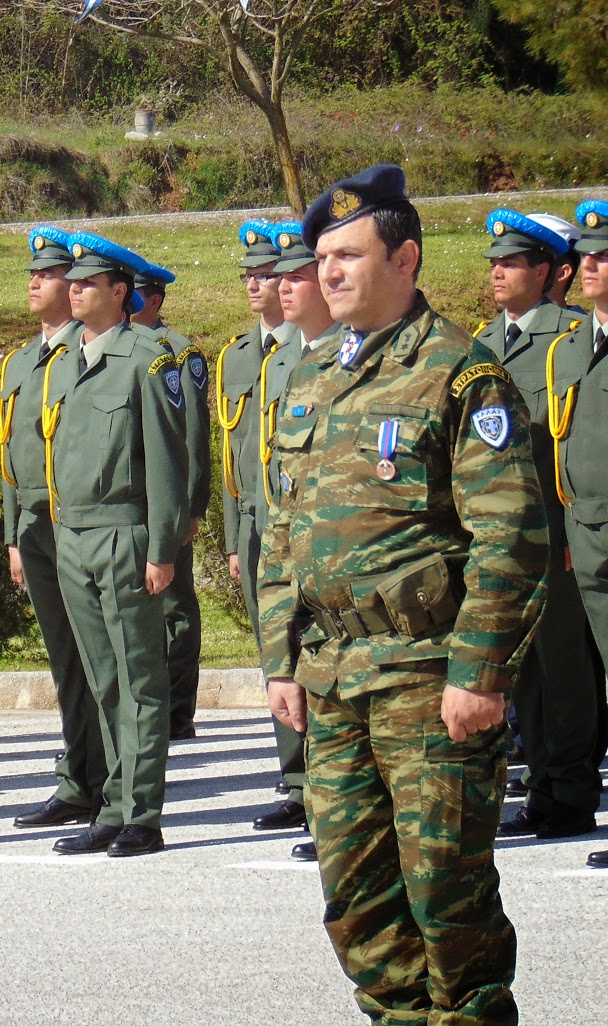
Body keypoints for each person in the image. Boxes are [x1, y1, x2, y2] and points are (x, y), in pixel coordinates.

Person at [262, 164, 547, 1026]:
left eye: (345, 255)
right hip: (334, 679)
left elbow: (509, 534)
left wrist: (479, 673)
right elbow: (280, 532)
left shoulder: (461, 377)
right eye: (320, 258)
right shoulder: (315, 376)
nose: (324, 272)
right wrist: (278, 659)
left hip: (429, 681)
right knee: (358, 894)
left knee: (446, 891)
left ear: (404, 257)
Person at [43, 233, 187, 858]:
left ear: (120, 292)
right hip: (72, 535)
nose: (73, 290)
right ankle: (113, 801)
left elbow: (167, 462)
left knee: (140, 678)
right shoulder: (65, 361)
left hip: (126, 534)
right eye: (71, 282)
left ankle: (144, 813)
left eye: (87, 283)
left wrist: (163, 549)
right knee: (104, 678)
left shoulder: (147, 359)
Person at [474, 210, 602, 841]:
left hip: (560, 531)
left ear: (550, 272)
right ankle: (541, 784)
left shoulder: (570, 337)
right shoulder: (483, 344)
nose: (499, 271)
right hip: (504, 539)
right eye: (495, 261)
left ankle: (573, 789)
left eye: (515, 261)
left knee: (567, 666)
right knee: (520, 668)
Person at [0, 228, 107, 829]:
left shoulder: (86, 354)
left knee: (94, 655)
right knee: (65, 657)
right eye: (32, 273)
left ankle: (102, 779)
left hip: (79, 520)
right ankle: (78, 776)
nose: (36, 282)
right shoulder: (21, 361)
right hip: (36, 525)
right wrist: (13, 534)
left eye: (50, 273)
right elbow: (11, 451)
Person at [249, 223, 338, 853]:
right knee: (287, 663)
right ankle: (304, 788)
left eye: (296, 275)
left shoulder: (347, 356)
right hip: (285, 537)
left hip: (336, 547)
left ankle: (331, 806)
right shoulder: (281, 359)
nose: (281, 287)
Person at [218, 220, 305, 812]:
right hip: (253, 523)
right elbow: (230, 451)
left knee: (312, 643)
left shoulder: (315, 348)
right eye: (248, 275)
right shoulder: (239, 355)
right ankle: (293, 776)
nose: (255, 284)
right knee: (273, 648)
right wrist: (230, 536)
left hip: (299, 521)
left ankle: (323, 778)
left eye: (268, 274)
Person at [543, 200, 608, 871]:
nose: (589, 265)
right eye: (585, 255)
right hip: (582, 533)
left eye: (603, 255)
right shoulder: (572, 349)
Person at [134, 259, 210, 740]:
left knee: (175, 608)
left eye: (138, 295)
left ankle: (179, 708)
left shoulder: (179, 354)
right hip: (125, 505)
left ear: (155, 300)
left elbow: (194, 438)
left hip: (168, 503)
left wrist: (190, 507)